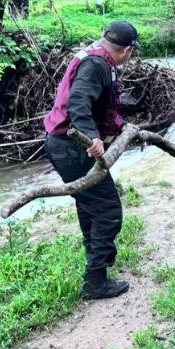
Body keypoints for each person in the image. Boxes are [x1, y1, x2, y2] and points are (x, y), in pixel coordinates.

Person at [43, 21, 140, 300]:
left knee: (89, 206)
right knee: (108, 210)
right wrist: (90, 136)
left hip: (61, 143)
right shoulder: (97, 66)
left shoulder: (96, 56)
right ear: (126, 50)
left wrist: (123, 127)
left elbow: (103, 109)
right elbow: (78, 102)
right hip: (72, 147)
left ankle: (95, 271)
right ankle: (95, 281)